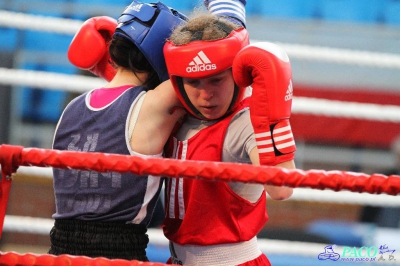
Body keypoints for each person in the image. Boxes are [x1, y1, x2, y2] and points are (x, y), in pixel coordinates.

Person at [49, 1, 188, 260]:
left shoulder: (72, 107)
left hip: (58, 253)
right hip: (119, 255)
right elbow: (214, 66)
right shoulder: (155, 104)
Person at [161, 10, 296, 265]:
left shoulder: (245, 122)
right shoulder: (174, 116)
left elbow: (282, 189)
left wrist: (274, 121)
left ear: (236, 74)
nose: (206, 95)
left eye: (216, 80)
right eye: (194, 82)